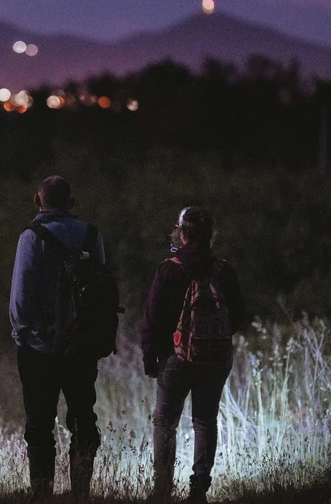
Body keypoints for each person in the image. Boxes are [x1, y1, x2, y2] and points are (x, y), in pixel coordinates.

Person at [10, 175, 107, 502]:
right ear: (72, 203)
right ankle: (82, 492)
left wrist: (23, 336)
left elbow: (21, 299)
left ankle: (42, 494)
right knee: (82, 418)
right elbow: (100, 293)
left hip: (39, 347)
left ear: (38, 201)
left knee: (39, 425)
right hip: (82, 347)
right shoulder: (92, 237)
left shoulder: (30, 238)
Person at [140, 207, 245, 503]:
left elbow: (151, 320)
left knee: (165, 423)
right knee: (205, 421)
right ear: (210, 235)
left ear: (181, 233)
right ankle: (199, 489)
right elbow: (238, 315)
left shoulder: (169, 269)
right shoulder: (223, 271)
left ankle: (162, 491)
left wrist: (151, 360)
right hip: (215, 360)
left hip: (175, 360)